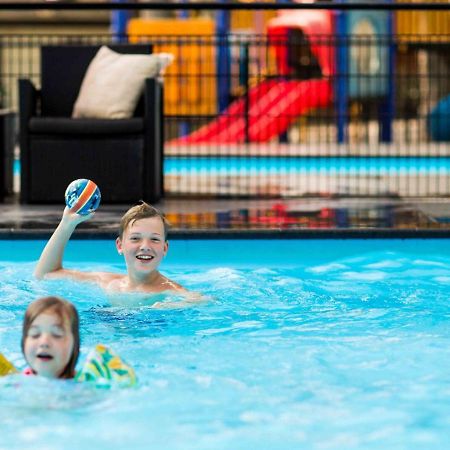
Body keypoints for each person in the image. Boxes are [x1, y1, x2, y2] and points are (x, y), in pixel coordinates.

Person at [35, 202, 198, 307]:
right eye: (135, 238)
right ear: (120, 245)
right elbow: (46, 274)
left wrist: (173, 306)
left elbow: (204, 302)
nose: (145, 246)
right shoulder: (106, 282)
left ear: (165, 248)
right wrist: (66, 224)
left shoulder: (173, 293)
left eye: (154, 239)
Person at [22, 296, 79, 379]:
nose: (44, 342)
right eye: (35, 334)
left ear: (75, 344)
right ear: (23, 343)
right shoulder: (15, 383)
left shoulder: (87, 385)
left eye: (57, 335)